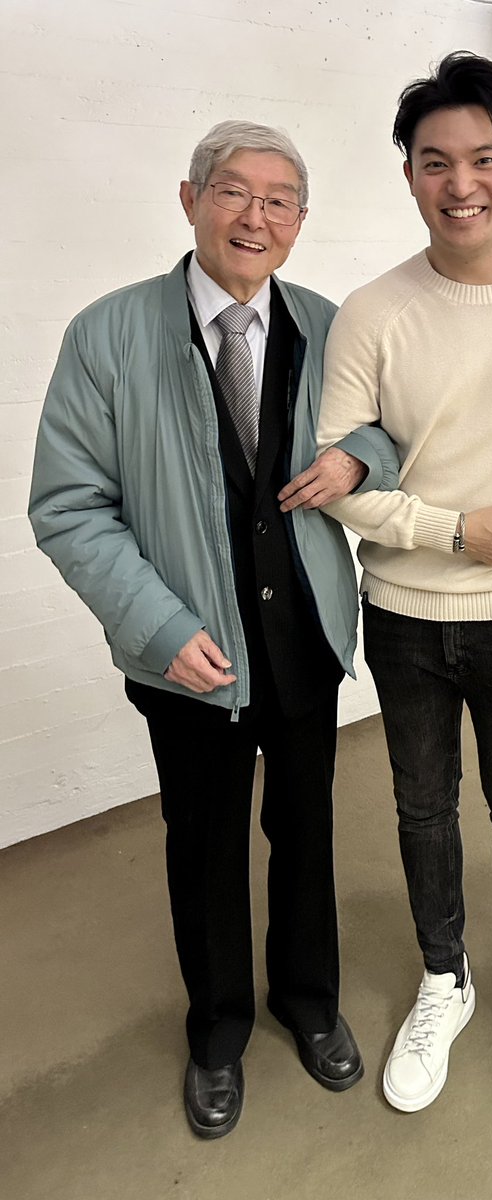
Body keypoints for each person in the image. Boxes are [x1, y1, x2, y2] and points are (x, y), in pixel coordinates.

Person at [28, 120, 399, 1139]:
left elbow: (392, 428)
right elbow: (67, 506)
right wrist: (156, 625)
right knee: (201, 847)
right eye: (234, 191)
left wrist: (364, 454)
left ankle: (310, 1003)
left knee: (308, 829)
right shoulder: (108, 334)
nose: (256, 215)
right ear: (188, 199)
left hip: (306, 640)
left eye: (279, 199)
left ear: (300, 222)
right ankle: (219, 1033)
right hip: (184, 657)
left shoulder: (331, 327)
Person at [280, 51, 492, 1112]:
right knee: (421, 809)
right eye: (434, 162)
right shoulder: (372, 313)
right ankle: (444, 977)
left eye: (482, 158)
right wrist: (448, 530)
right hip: (407, 618)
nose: (459, 182)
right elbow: (331, 474)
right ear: (409, 175)